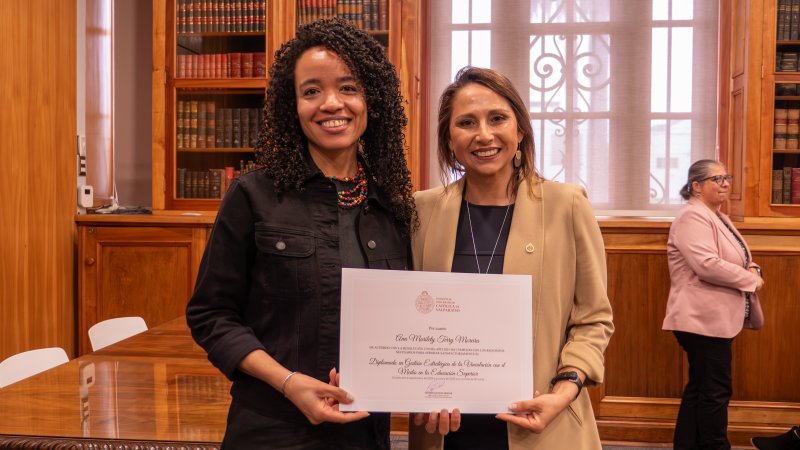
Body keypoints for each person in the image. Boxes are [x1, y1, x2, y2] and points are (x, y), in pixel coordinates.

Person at [185, 18, 415, 449]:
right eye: (311, 91)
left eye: (348, 88)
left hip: (364, 433)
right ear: (292, 106)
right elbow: (211, 315)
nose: (331, 103)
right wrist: (289, 383)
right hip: (272, 429)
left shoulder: (394, 206)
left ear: (371, 99)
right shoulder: (253, 195)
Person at [409, 66, 614, 449]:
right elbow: (409, 319)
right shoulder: (422, 210)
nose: (484, 135)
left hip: (543, 422)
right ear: (449, 139)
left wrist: (565, 389)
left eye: (497, 118)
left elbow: (593, 319)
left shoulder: (566, 205)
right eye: (466, 122)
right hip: (446, 428)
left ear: (519, 130)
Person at [662, 159, 765, 450]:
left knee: (701, 389)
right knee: (715, 393)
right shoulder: (692, 217)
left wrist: (753, 268)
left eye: (726, 178)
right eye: (717, 179)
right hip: (701, 320)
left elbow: (741, 257)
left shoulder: (715, 215)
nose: (725, 184)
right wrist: (750, 279)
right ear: (696, 186)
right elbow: (706, 264)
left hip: (712, 319)